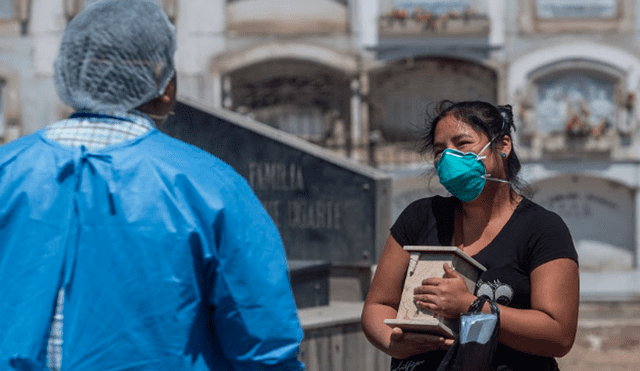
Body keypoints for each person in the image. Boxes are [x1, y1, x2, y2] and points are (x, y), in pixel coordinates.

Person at [0, 1, 304, 370]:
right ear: (166, 87)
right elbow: (264, 342)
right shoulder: (211, 187)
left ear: (66, 72)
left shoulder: (9, 169)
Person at [361, 100, 579, 371]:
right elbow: (378, 304)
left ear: (503, 145)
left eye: (462, 144)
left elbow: (558, 335)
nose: (449, 158)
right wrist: (392, 342)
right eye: (440, 150)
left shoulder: (543, 229)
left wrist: (472, 306)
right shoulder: (419, 218)